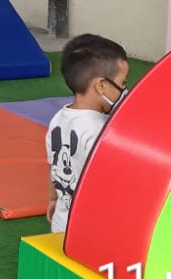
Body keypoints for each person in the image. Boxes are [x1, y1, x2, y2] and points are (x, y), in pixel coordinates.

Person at [47, 33, 130, 233]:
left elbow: (53, 167)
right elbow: (110, 185)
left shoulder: (58, 119)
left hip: (61, 225)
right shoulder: (100, 131)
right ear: (101, 85)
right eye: (122, 83)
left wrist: (53, 199)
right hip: (89, 232)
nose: (124, 90)